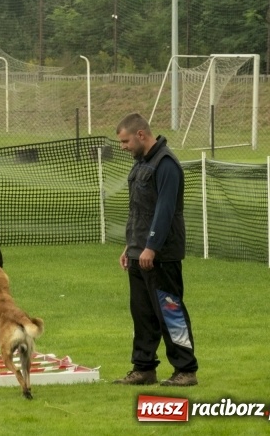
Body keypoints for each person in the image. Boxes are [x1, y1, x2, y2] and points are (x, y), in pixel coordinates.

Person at [113, 113, 198, 387]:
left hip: (161, 254)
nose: (123, 146)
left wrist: (151, 247)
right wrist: (131, 246)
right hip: (139, 251)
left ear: (141, 135)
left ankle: (185, 370)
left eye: (125, 141)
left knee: (170, 311)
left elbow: (164, 211)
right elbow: (139, 210)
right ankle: (144, 369)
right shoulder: (140, 164)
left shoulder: (166, 164)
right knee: (143, 314)